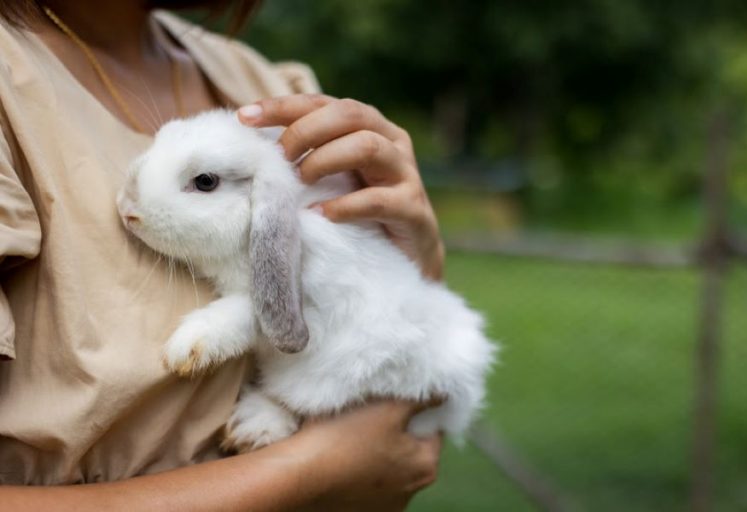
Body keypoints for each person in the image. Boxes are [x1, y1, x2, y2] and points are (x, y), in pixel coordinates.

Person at [0, 0, 445, 509]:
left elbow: (405, 437)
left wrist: (415, 257)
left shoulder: (263, 82)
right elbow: (368, 460)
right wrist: (315, 468)